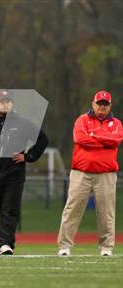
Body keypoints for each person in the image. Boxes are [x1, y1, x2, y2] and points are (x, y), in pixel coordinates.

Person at [0, 90, 48, 255]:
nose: (5, 104)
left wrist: (28, 156)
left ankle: (5, 244)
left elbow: (43, 139)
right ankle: (4, 241)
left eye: (8, 101)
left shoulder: (23, 123)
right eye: (1, 101)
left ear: (12, 104)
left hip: (14, 175)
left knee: (9, 210)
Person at [57, 90, 123, 256]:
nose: (102, 107)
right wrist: (103, 139)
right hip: (81, 172)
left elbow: (115, 140)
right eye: (99, 104)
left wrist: (94, 136)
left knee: (106, 211)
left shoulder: (116, 123)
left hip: (106, 174)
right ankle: (64, 246)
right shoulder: (82, 120)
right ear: (93, 104)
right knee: (72, 208)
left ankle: (106, 247)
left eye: (105, 104)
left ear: (110, 106)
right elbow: (80, 139)